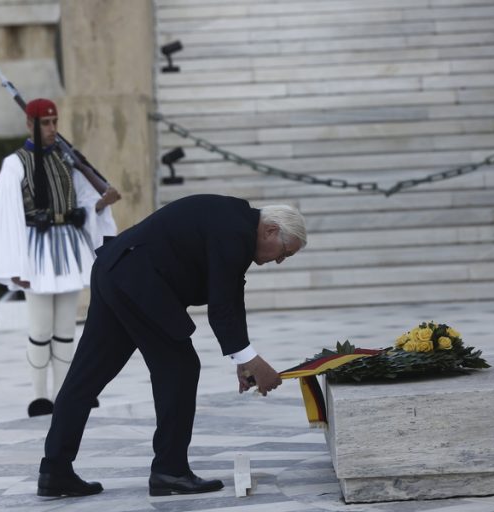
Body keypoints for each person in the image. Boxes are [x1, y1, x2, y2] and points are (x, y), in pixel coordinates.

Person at [36, 194, 307, 498]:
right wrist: (251, 360)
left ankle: (55, 470)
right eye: (284, 252)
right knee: (180, 367)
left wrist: (243, 359)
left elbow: (231, 296)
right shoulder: (235, 230)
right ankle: (170, 471)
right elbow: (221, 307)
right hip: (137, 280)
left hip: (116, 270)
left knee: (86, 377)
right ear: (270, 230)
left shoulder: (235, 224)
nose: (280, 260)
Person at [0, 98, 120, 418]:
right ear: (30, 124)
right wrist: (16, 265)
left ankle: (66, 393)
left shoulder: (66, 160)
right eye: (46, 122)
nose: (53, 128)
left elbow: (83, 204)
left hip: (66, 248)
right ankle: (40, 396)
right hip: (35, 251)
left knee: (65, 329)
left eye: (55, 121)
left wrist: (102, 203)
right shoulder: (15, 163)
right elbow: (5, 214)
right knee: (40, 329)